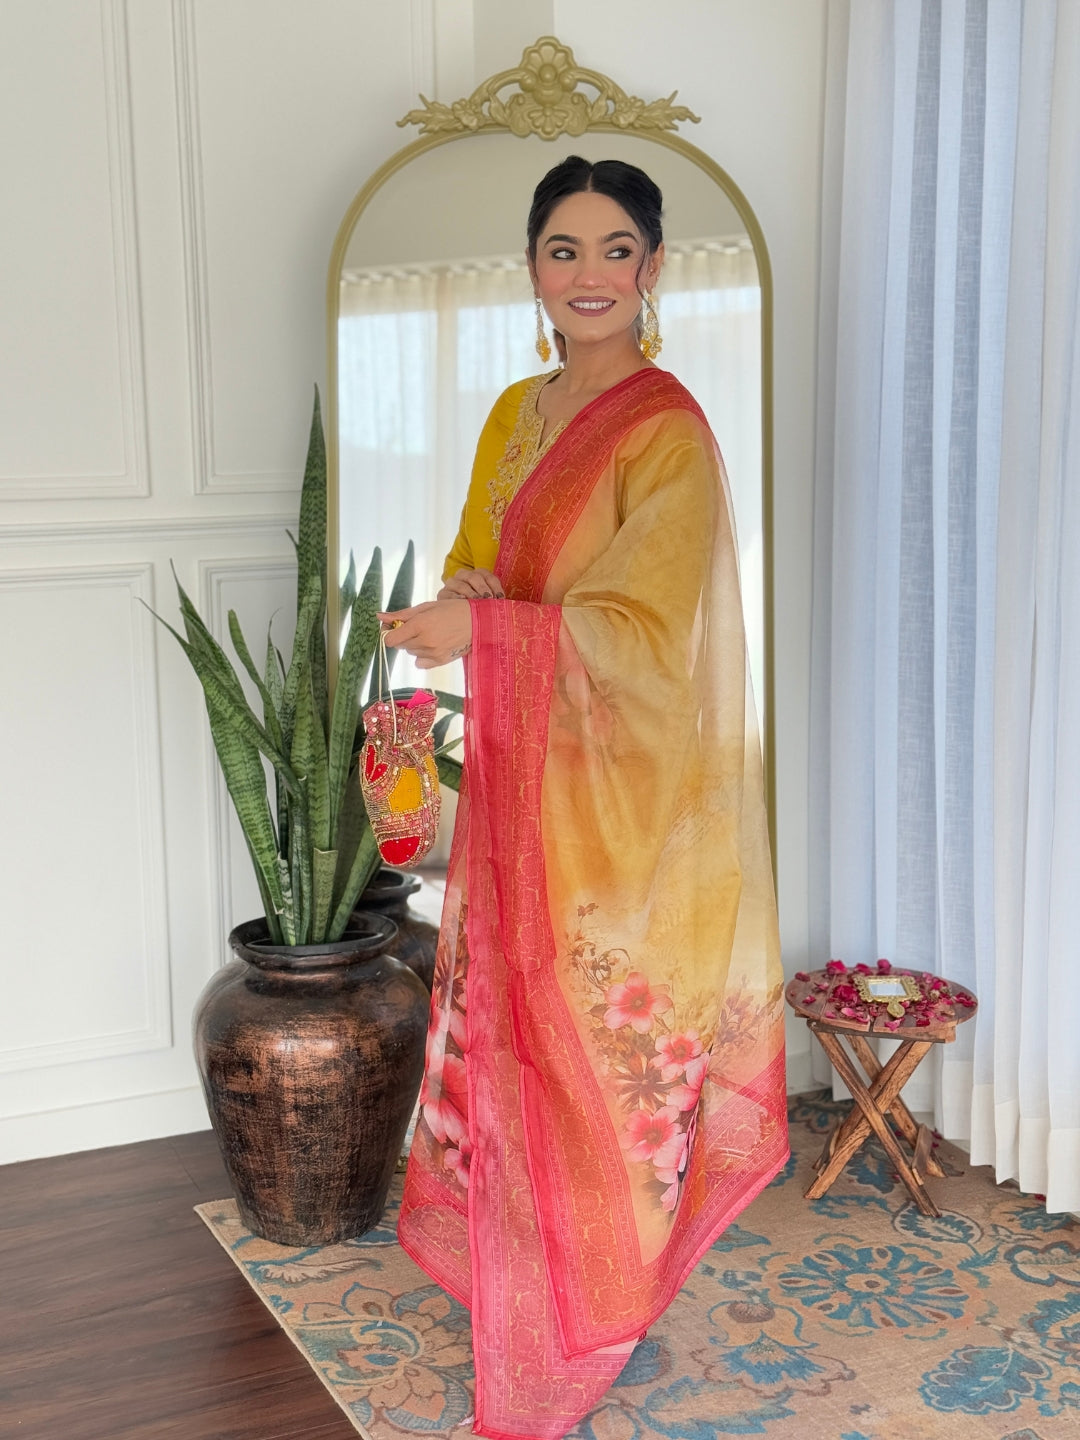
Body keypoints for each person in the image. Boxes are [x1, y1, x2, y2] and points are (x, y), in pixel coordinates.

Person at [381, 155, 787, 1440]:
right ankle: (520, 1269)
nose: (592, 274)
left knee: (602, 1063)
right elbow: (479, 560)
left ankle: (593, 1307)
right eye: (566, 250)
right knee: (502, 1032)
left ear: (654, 269)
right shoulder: (515, 412)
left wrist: (486, 633)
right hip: (518, 783)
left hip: (620, 811)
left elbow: (649, 636)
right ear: (535, 270)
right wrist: (455, 620)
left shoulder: (665, 431)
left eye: (619, 250)